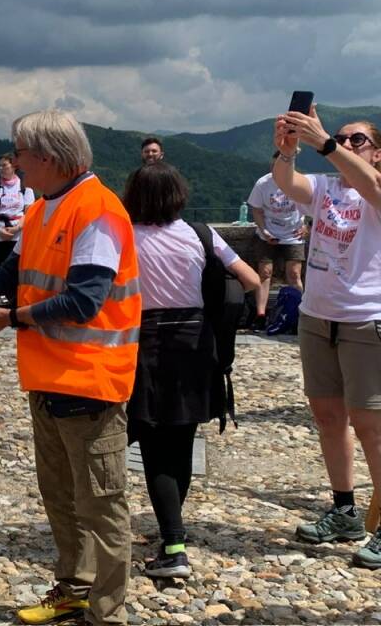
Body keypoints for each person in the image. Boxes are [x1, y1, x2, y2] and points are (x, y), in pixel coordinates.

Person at [0, 109, 141, 626]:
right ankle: (73, 591)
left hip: (91, 380)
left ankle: (107, 614)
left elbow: (85, 301)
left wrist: (11, 318)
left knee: (102, 504)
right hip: (49, 378)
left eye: (19, 153)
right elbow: (12, 269)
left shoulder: (97, 210)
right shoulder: (46, 208)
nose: (16, 163)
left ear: (46, 157)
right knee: (62, 497)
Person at [122, 163, 258, 579]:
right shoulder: (201, 233)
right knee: (181, 442)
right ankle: (171, 535)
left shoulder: (124, 237)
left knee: (152, 445)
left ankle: (174, 546)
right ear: (179, 194)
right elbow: (250, 278)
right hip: (196, 343)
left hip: (143, 342)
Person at [273, 108, 381, 569]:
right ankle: (344, 509)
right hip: (317, 315)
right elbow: (287, 184)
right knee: (328, 415)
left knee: (370, 423)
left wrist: (326, 145)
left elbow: (373, 188)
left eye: (357, 140)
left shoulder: (373, 188)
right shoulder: (328, 186)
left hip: (366, 318)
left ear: (377, 152)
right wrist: (287, 148)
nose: (345, 144)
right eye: (341, 138)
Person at [246, 152, 306, 329]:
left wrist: (306, 225)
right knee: (265, 272)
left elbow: (313, 204)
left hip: (293, 233)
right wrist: (264, 231)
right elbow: (256, 209)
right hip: (267, 231)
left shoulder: (299, 181)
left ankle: (297, 312)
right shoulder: (263, 183)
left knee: (294, 274)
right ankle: (260, 314)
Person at [0, 152, 35, 270]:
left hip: (17, 237)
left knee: (14, 271)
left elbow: (29, 212)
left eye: (4, 165)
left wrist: (16, 229)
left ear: (14, 167)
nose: (1, 169)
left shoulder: (25, 187)